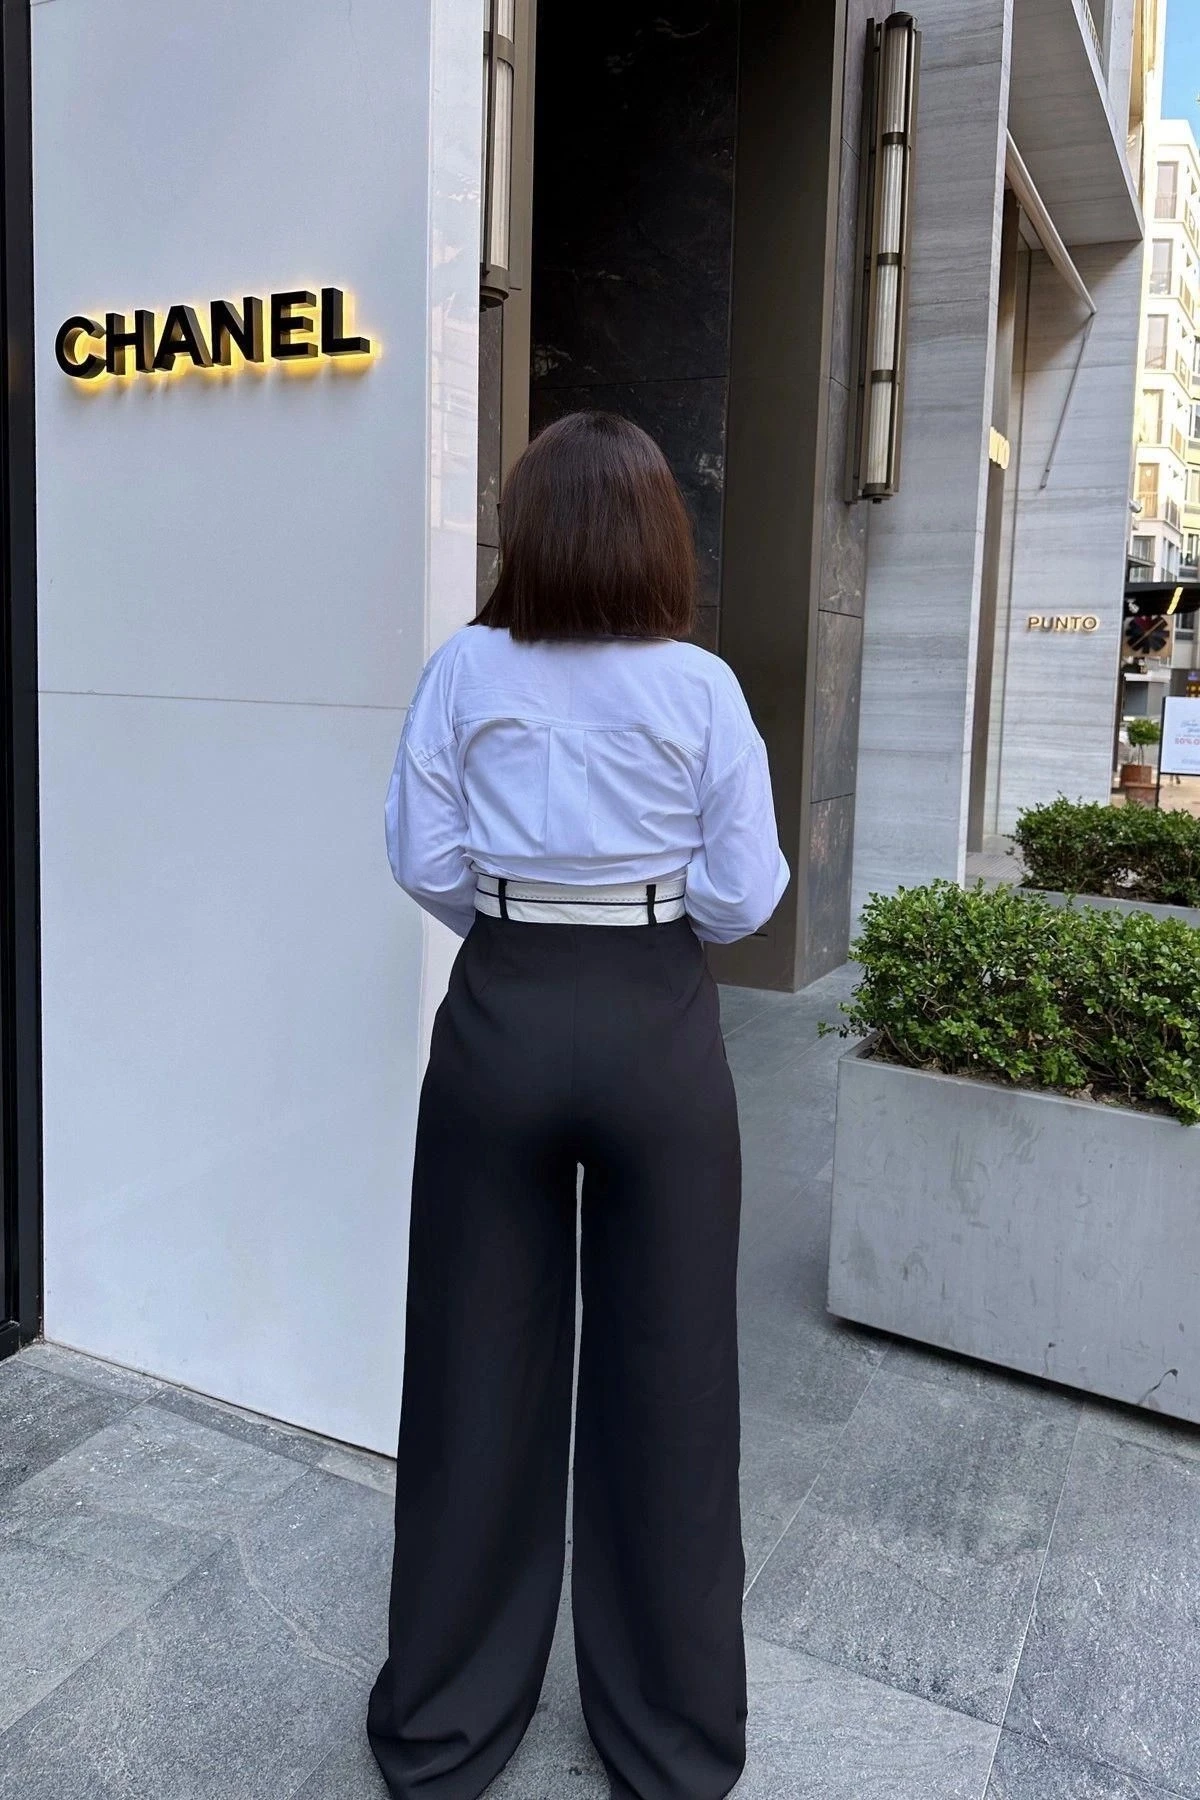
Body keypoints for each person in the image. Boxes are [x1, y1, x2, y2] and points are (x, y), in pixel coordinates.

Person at [367, 411, 789, 1800]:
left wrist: (513, 921)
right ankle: (671, 1742)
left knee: (471, 1367)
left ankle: (443, 1730)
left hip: (502, 1004)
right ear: (662, 535)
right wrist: (651, 919)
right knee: (675, 1379)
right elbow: (748, 891)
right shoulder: (703, 688)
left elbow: (421, 856)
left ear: (528, 529)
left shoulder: (462, 668)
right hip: (657, 1014)